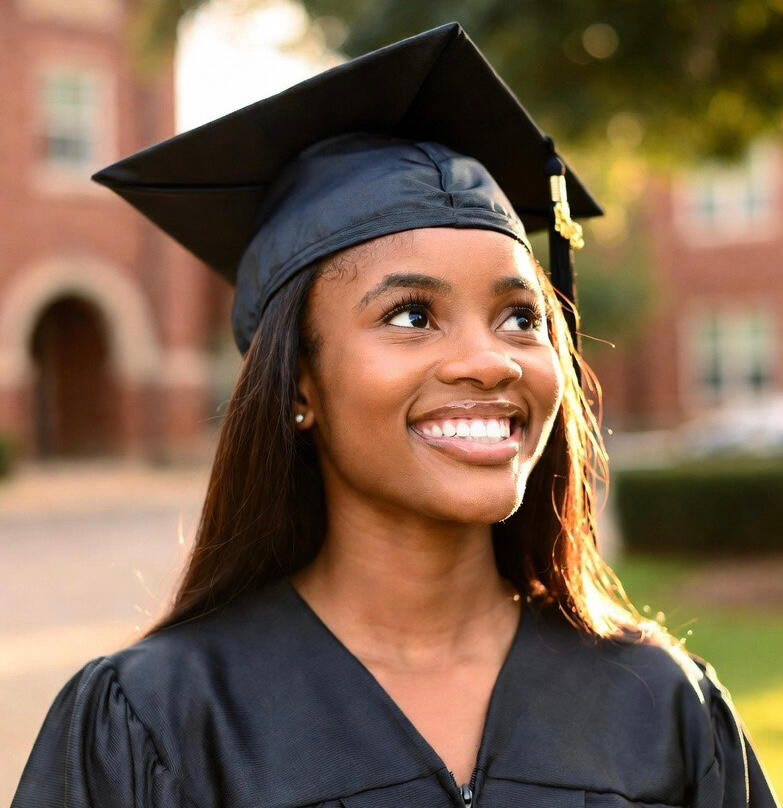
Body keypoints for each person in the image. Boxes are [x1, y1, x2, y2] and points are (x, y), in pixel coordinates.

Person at [12, 22, 779, 808]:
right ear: (296, 387)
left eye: (520, 317)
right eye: (411, 316)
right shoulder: (160, 722)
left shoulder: (660, 706)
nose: (490, 360)